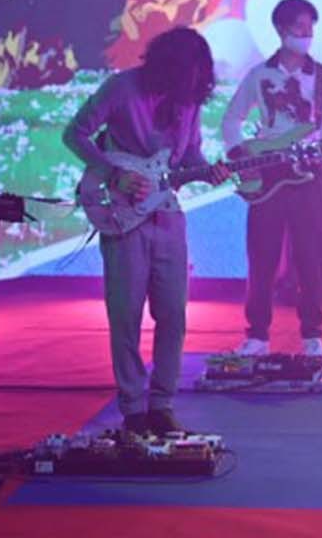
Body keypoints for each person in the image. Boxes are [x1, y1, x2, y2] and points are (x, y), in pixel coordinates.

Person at [64, 26, 227, 435]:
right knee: (126, 315)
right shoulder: (121, 88)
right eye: (187, 73)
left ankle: (162, 404)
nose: (192, 83)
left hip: (168, 215)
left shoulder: (189, 99)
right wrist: (112, 174)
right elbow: (75, 134)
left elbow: (189, 154)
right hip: (125, 218)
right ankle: (133, 409)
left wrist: (207, 171)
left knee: (173, 313)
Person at [221, 0, 322, 359]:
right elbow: (231, 119)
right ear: (281, 29)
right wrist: (243, 157)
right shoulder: (259, 75)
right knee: (262, 257)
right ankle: (257, 335)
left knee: (312, 258)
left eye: (310, 28)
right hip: (267, 177)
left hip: (309, 176)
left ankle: (312, 336)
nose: (306, 34)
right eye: (300, 27)